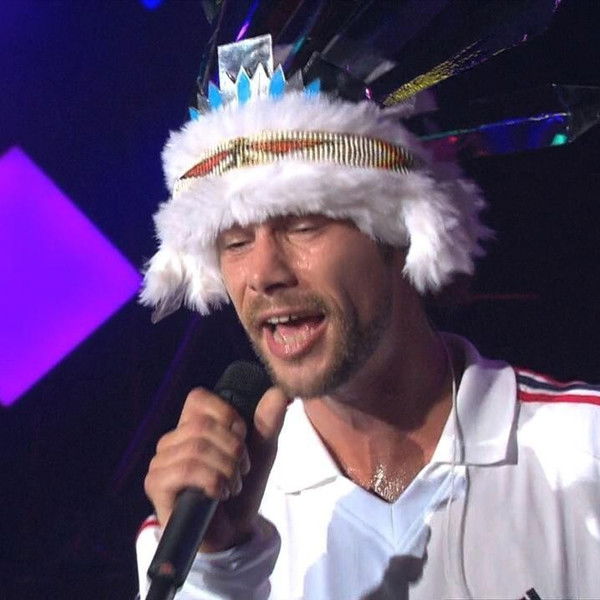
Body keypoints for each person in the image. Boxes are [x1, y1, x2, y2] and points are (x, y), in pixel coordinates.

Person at [136, 36, 600, 600]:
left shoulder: (585, 453)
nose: (262, 273)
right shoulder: (193, 533)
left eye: (303, 224)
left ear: (399, 233)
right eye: (234, 242)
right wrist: (221, 569)